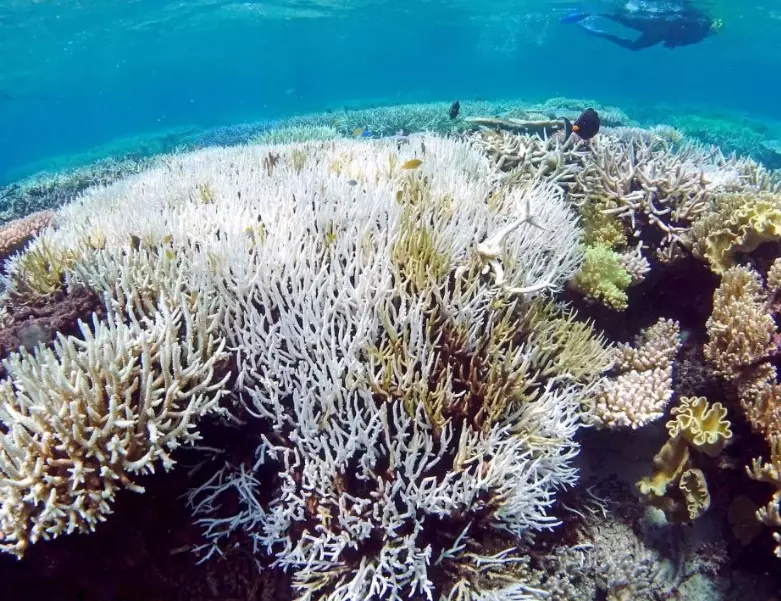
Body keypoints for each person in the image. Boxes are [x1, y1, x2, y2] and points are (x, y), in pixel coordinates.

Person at [560, 1, 722, 51]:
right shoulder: (701, 21)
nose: (715, 29)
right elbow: (680, 24)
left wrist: (673, 41)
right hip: (656, 25)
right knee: (622, 18)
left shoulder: (702, 33)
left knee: (632, 44)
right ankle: (589, 16)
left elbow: (683, 38)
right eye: (717, 26)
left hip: (658, 32)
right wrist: (674, 38)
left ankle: (596, 31)